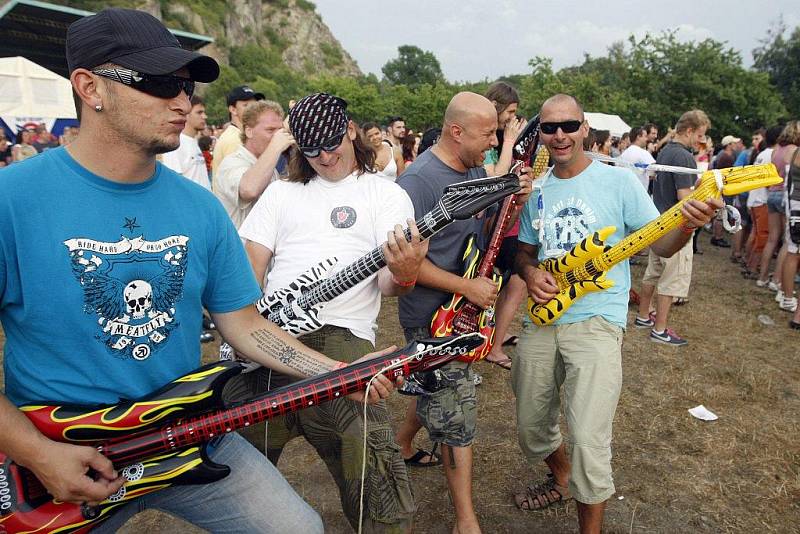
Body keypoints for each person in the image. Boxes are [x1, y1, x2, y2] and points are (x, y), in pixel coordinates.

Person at [0, 9, 399, 533]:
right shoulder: (13, 201)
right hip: (56, 454)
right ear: (89, 86)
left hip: (187, 430)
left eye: (186, 85)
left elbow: (244, 324)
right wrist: (36, 453)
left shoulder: (201, 207)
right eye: (160, 83)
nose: (183, 101)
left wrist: (336, 375)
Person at [512, 94, 720, 534]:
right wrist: (529, 274)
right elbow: (524, 252)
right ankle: (562, 475)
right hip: (541, 318)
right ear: (542, 136)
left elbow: (659, 244)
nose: (560, 135)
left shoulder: (619, 183)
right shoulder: (537, 188)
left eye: (569, 125)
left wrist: (685, 224)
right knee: (532, 428)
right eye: (549, 128)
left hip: (597, 320)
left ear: (585, 127)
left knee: (589, 439)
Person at [239, 92, 425, 532]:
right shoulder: (281, 194)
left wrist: (407, 272)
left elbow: (388, 284)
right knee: (232, 468)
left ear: (350, 130)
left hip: (343, 338)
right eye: (310, 150)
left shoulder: (386, 194)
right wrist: (245, 331)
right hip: (270, 340)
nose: (324, 157)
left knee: (380, 485)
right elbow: (251, 268)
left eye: (331, 144)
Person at [395, 91, 533, 534]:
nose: (495, 141)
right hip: (432, 314)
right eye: (489, 132)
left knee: (438, 387)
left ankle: (399, 442)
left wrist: (516, 203)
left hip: (463, 311)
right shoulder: (418, 183)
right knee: (457, 412)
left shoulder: (473, 168)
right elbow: (402, 264)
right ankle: (466, 522)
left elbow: (483, 232)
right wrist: (465, 287)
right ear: (457, 132)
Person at [635, 109, 711, 346]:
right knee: (671, 277)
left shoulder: (665, 151)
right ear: (689, 131)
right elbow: (684, 197)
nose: (701, 140)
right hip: (675, 228)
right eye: (700, 135)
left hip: (658, 222)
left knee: (653, 272)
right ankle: (660, 328)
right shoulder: (684, 157)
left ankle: (643, 315)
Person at [481, 81, 527, 369]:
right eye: (509, 111)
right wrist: (509, 141)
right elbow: (496, 179)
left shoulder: (497, 137)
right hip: (488, 225)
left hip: (504, 221)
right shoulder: (488, 139)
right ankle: (492, 345)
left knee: (507, 281)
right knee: (509, 282)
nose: (512, 118)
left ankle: (494, 334)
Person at [215, 100, 291, 230]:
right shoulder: (232, 162)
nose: (278, 135)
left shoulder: (268, 164)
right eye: (270, 130)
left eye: (280, 130)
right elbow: (249, 190)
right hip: (240, 248)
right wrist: (275, 147)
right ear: (249, 131)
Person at [211, 85, 265, 176]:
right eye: (246, 105)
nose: (253, 109)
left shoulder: (237, 135)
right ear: (233, 109)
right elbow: (239, 183)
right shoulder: (235, 140)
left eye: (255, 105)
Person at [161, 94, 211, 190]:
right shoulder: (175, 145)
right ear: (186, 114)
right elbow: (173, 185)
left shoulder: (193, 141)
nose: (205, 116)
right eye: (199, 112)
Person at [619, 126, 656, 191]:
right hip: (640, 193)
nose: (646, 139)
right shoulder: (643, 153)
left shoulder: (624, 154)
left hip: (625, 191)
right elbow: (653, 172)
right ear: (638, 136)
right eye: (645, 136)